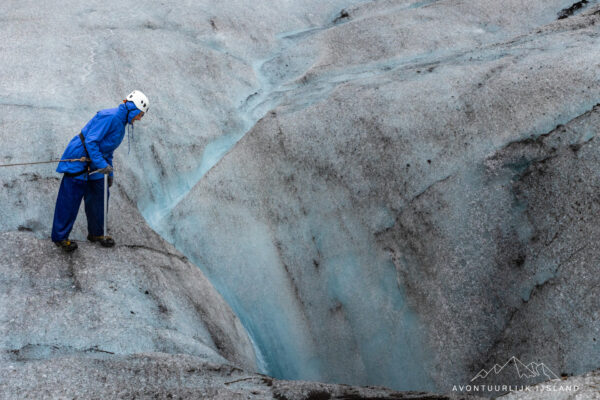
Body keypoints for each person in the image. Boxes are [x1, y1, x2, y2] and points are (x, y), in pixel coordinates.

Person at [51, 90, 149, 252]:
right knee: (71, 196)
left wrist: (109, 172)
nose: (139, 118)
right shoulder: (110, 117)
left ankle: (96, 233)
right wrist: (100, 164)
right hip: (79, 156)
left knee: (100, 193)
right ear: (134, 109)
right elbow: (91, 141)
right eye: (140, 114)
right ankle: (61, 237)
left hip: (96, 160)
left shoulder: (121, 124)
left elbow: (108, 150)